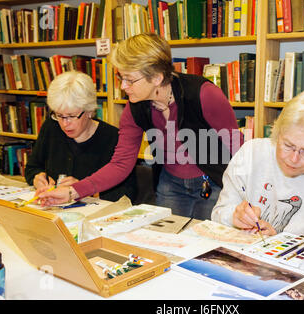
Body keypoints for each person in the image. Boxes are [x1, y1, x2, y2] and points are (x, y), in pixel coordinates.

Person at [38, 33, 243, 220]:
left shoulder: (204, 95)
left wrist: (245, 199)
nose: (122, 86)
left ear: (156, 78)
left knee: (207, 248)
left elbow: (238, 151)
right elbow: (120, 164)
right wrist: (73, 191)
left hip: (214, 183)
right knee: (168, 245)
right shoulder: (134, 108)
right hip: (170, 184)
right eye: (121, 78)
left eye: (129, 79)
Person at [211, 88, 304, 246]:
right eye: (288, 145)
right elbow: (218, 213)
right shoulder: (250, 154)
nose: (293, 159)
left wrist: (279, 241)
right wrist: (234, 216)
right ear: (277, 133)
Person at [25, 70, 138, 203]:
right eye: (59, 116)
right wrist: (37, 178)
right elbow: (32, 167)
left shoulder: (113, 138)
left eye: (72, 116)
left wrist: (84, 190)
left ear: (89, 111)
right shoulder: (51, 127)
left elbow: (127, 193)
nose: (65, 124)